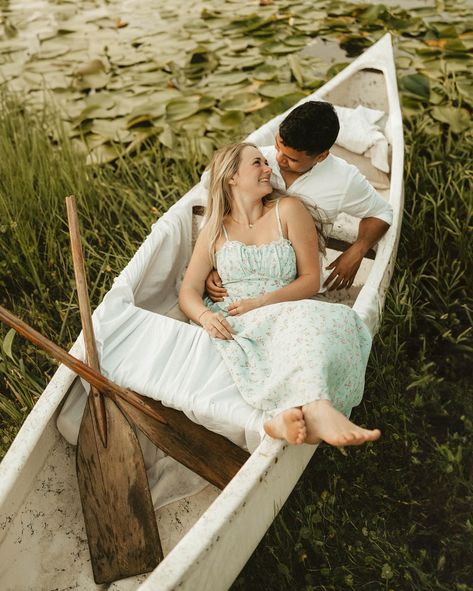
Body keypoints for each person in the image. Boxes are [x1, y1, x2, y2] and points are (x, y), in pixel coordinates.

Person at [179, 142, 381, 446]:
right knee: (296, 329)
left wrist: (262, 302)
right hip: (236, 320)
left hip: (285, 306)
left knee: (315, 323)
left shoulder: (287, 210)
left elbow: (312, 280)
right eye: (257, 163)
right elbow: (189, 292)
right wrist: (206, 317)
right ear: (232, 176)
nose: (268, 169)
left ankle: (309, 410)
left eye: (266, 162)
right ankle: (294, 416)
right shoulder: (214, 230)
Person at [206, 100, 393, 301]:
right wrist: (220, 264)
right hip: (244, 271)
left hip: (302, 283)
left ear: (321, 156)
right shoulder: (259, 161)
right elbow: (212, 183)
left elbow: (382, 213)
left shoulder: (344, 179)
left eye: (292, 159)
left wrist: (357, 250)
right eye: (278, 145)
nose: (278, 159)